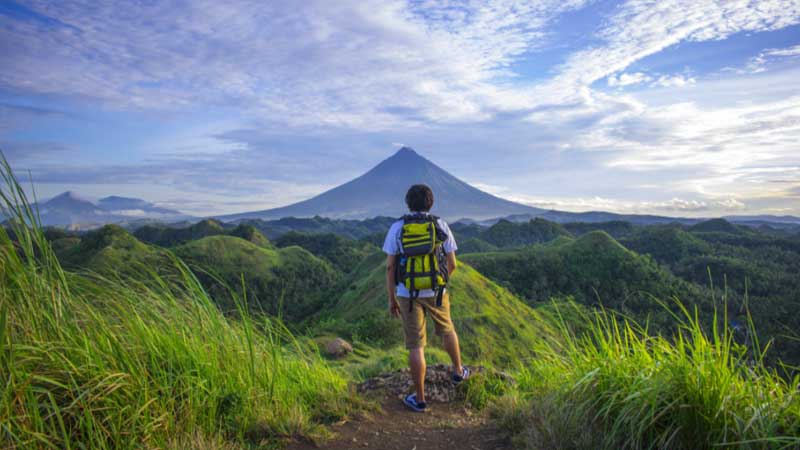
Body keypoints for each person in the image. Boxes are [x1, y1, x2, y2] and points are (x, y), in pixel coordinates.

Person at [382, 184, 469, 412]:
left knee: (416, 345)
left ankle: (420, 399)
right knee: (447, 329)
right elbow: (453, 264)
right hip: (436, 291)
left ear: (408, 203)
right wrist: (438, 282)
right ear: (431, 203)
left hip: (407, 294)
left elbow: (390, 267)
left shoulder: (397, 227)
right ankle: (458, 372)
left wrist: (392, 299)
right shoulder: (440, 224)